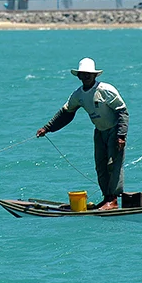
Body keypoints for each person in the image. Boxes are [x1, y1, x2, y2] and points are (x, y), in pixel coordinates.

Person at [35, 58, 129, 211]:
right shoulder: (78, 95)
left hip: (114, 130)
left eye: (88, 74)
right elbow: (66, 113)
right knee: (100, 166)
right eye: (83, 74)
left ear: (95, 75)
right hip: (99, 132)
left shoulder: (106, 90)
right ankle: (106, 198)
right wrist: (47, 128)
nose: (85, 77)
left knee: (114, 164)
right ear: (78, 76)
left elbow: (122, 112)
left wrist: (121, 135)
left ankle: (113, 200)